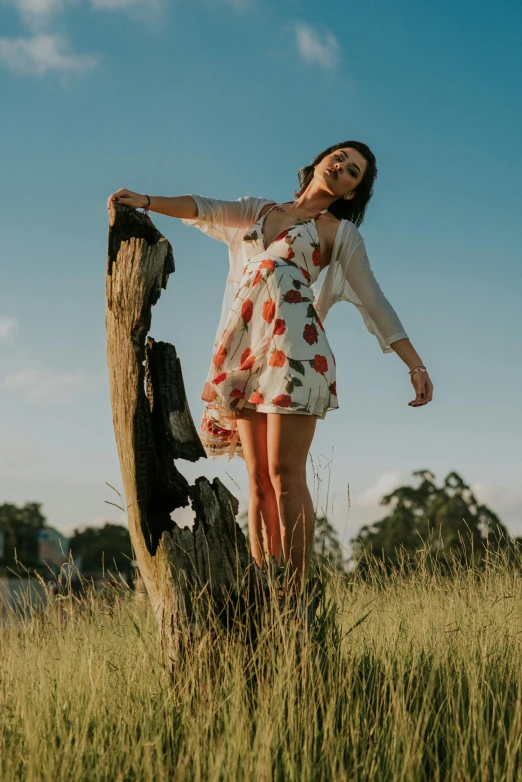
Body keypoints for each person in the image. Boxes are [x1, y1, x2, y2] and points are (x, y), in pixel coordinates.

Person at [107, 140, 434, 593]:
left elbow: (374, 300)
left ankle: (295, 594)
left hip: (297, 351)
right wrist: (145, 201)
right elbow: (203, 206)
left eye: (353, 172)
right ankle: (266, 588)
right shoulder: (259, 211)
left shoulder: (339, 232)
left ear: (352, 192)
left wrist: (414, 365)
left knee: (284, 475)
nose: (342, 167)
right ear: (320, 161)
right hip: (245, 351)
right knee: (258, 480)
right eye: (339, 158)